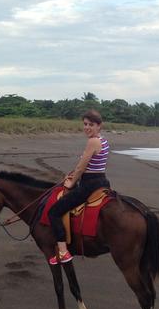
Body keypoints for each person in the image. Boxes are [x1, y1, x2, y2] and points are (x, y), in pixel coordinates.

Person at [47, 109, 111, 265]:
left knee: (54, 211)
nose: (87, 127)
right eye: (85, 124)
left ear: (99, 126)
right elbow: (91, 165)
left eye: (91, 124)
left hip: (89, 183)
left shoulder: (92, 142)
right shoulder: (103, 141)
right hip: (102, 180)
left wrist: (71, 182)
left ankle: (63, 252)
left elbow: (82, 168)